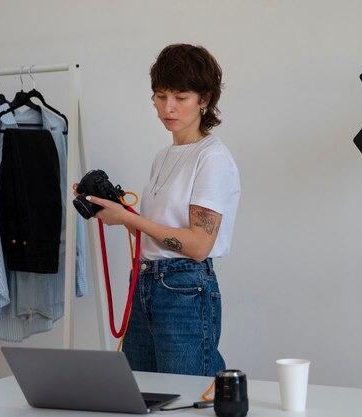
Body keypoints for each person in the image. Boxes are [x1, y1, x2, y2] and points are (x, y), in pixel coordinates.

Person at [75, 43, 240, 376]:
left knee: (186, 396)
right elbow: (158, 232)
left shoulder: (212, 158)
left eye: (180, 98)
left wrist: (130, 218)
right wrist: (117, 214)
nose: (169, 108)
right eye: (161, 96)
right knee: (142, 392)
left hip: (185, 286)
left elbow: (198, 245)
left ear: (204, 99)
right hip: (146, 280)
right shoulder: (163, 157)